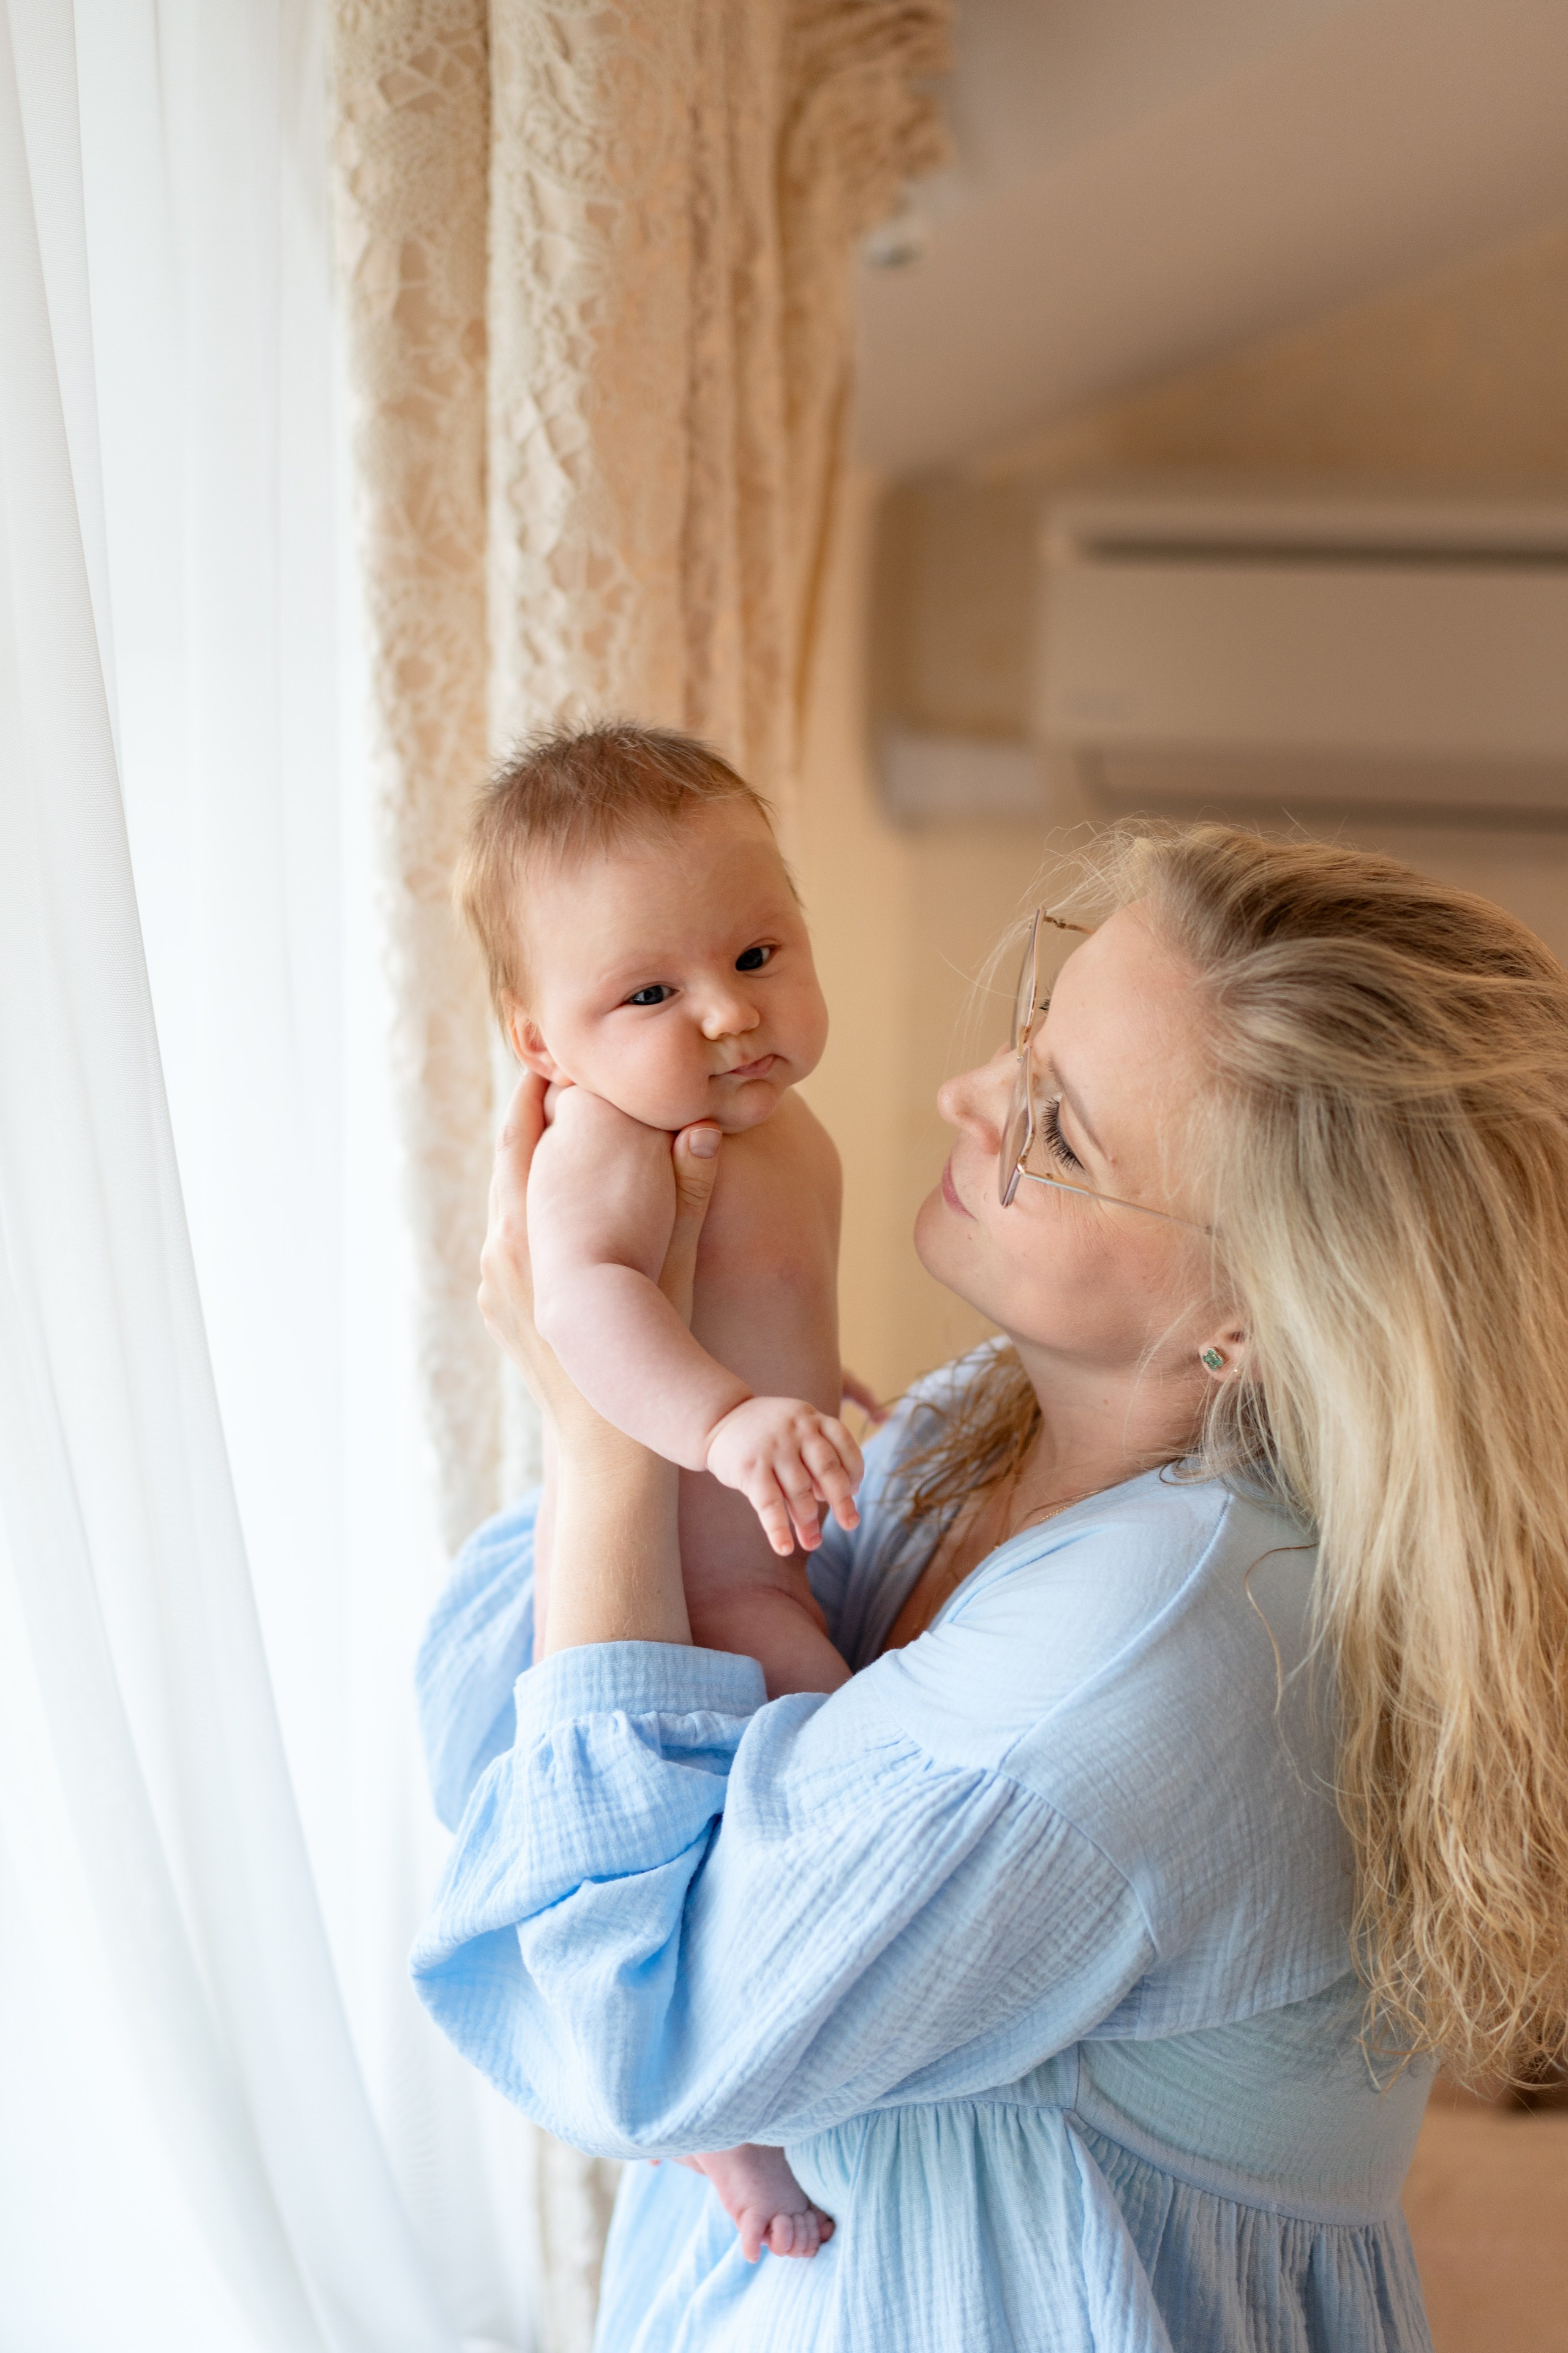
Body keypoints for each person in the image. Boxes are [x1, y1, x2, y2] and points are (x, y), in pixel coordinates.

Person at [413, 822, 1568, 2352]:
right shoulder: (975, 1424)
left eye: (1059, 1132)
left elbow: (625, 2026)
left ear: (1260, 1313)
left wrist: (607, 1428)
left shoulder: (1138, 1656)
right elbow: (500, 1727)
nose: (965, 1098)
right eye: (1033, 1026)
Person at [455, 721, 871, 2255]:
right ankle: (728, 2129)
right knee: (821, 1777)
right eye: (648, 991)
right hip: (681, 1600)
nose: (724, 1012)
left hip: (754, 1548)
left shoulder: (777, 1122)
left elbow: (767, 1311)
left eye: (758, 950)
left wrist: (820, 1399)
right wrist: (722, 1426)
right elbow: (584, 1308)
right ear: (540, 1043)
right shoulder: (614, 1140)